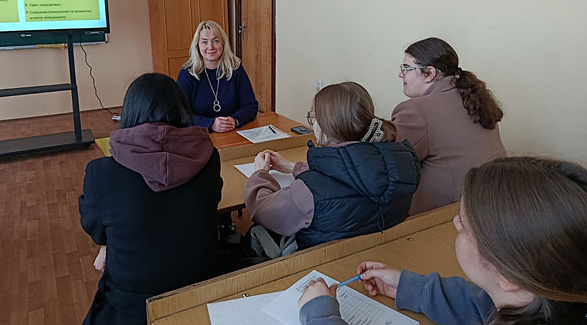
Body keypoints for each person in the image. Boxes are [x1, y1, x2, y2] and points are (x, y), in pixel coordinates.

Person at [298, 156, 587, 325]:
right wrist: (410, 287)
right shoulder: (551, 300)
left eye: (465, 225)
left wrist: (321, 315)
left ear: (508, 276)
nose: (455, 224)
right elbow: (484, 305)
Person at [78, 73, 223, 325]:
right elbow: (213, 202)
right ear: (182, 110)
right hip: (202, 291)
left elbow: (98, 232)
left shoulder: (100, 173)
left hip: (132, 306)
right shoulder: (210, 159)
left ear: (130, 113)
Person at [245, 82, 420, 251]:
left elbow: (262, 210)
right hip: (379, 253)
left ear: (325, 126)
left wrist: (261, 174)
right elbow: (351, 174)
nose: (312, 123)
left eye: (313, 117)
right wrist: (293, 167)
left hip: (317, 261)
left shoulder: (308, 191)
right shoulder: (402, 166)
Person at [392, 37, 506, 214]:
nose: (401, 75)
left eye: (406, 68)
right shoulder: (475, 100)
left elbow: (390, 165)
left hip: (447, 215)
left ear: (429, 73)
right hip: (494, 204)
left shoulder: (416, 110)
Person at [177, 20, 258, 132]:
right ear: (197, 46)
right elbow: (180, 113)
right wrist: (210, 123)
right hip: (199, 134)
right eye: (204, 42)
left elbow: (250, 106)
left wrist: (235, 120)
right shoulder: (187, 73)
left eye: (215, 41)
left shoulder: (235, 69)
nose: (210, 47)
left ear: (223, 44)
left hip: (232, 132)